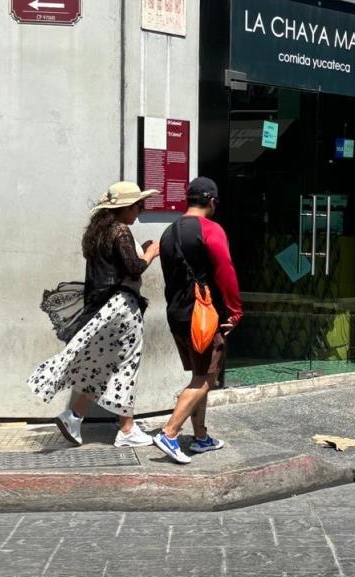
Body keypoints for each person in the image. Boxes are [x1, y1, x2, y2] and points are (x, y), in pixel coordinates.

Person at [28, 182, 160, 448]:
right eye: (137, 205)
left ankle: (74, 415)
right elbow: (134, 269)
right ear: (124, 208)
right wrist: (150, 253)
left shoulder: (99, 233)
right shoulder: (121, 231)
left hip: (103, 308)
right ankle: (127, 429)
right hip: (123, 308)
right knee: (126, 364)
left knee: (101, 363)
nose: (140, 211)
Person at [154, 177, 242, 464]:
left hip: (176, 313)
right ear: (212, 201)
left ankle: (201, 437)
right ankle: (170, 432)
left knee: (200, 373)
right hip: (201, 316)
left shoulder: (169, 232)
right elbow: (225, 270)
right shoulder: (211, 229)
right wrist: (235, 310)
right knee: (206, 378)